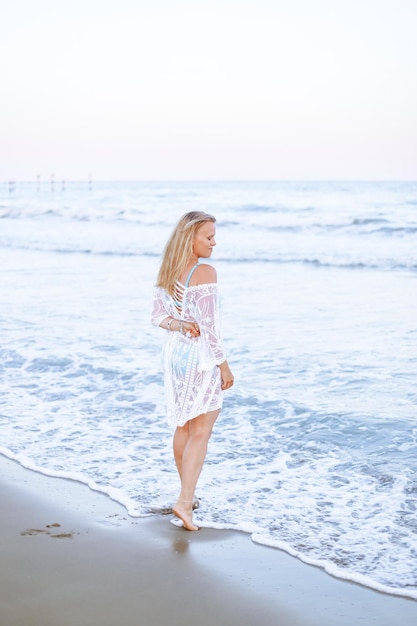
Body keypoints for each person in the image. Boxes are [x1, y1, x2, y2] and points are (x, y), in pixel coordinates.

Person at [151, 211, 234, 531]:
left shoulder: (169, 270)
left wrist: (181, 324)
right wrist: (223, 365)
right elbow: (210, 328)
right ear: (191, 239)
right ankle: (185, 502)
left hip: (174, 355)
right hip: (199, 358)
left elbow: (158, 317)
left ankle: (187, 495)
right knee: (202, 429)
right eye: (209, 237)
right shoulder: (205, 272)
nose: (215, 242)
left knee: (184, 427)